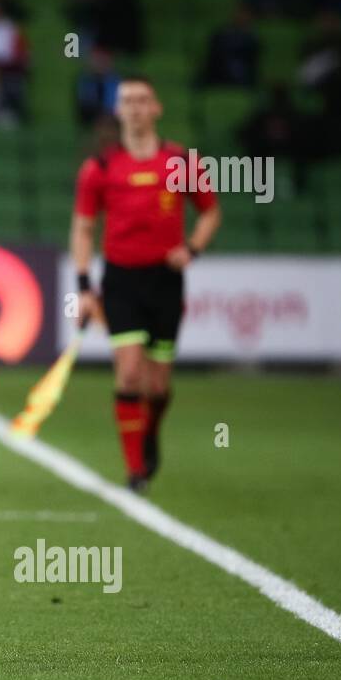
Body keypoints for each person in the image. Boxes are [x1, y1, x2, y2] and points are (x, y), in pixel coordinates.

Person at [71, 76, 222, 493]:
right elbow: (83, 229)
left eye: (142, 100)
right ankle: (136, 470)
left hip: (166, 281)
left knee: (158, 385)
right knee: (130, 375)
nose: (135, 108)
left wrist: (192, 249)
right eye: (127, 101)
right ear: (118, 111)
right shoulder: (99, 168)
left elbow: (210, 212)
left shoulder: (180, 162)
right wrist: (85, 285)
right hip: (120, 281)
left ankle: (151, 430)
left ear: (157, 108)